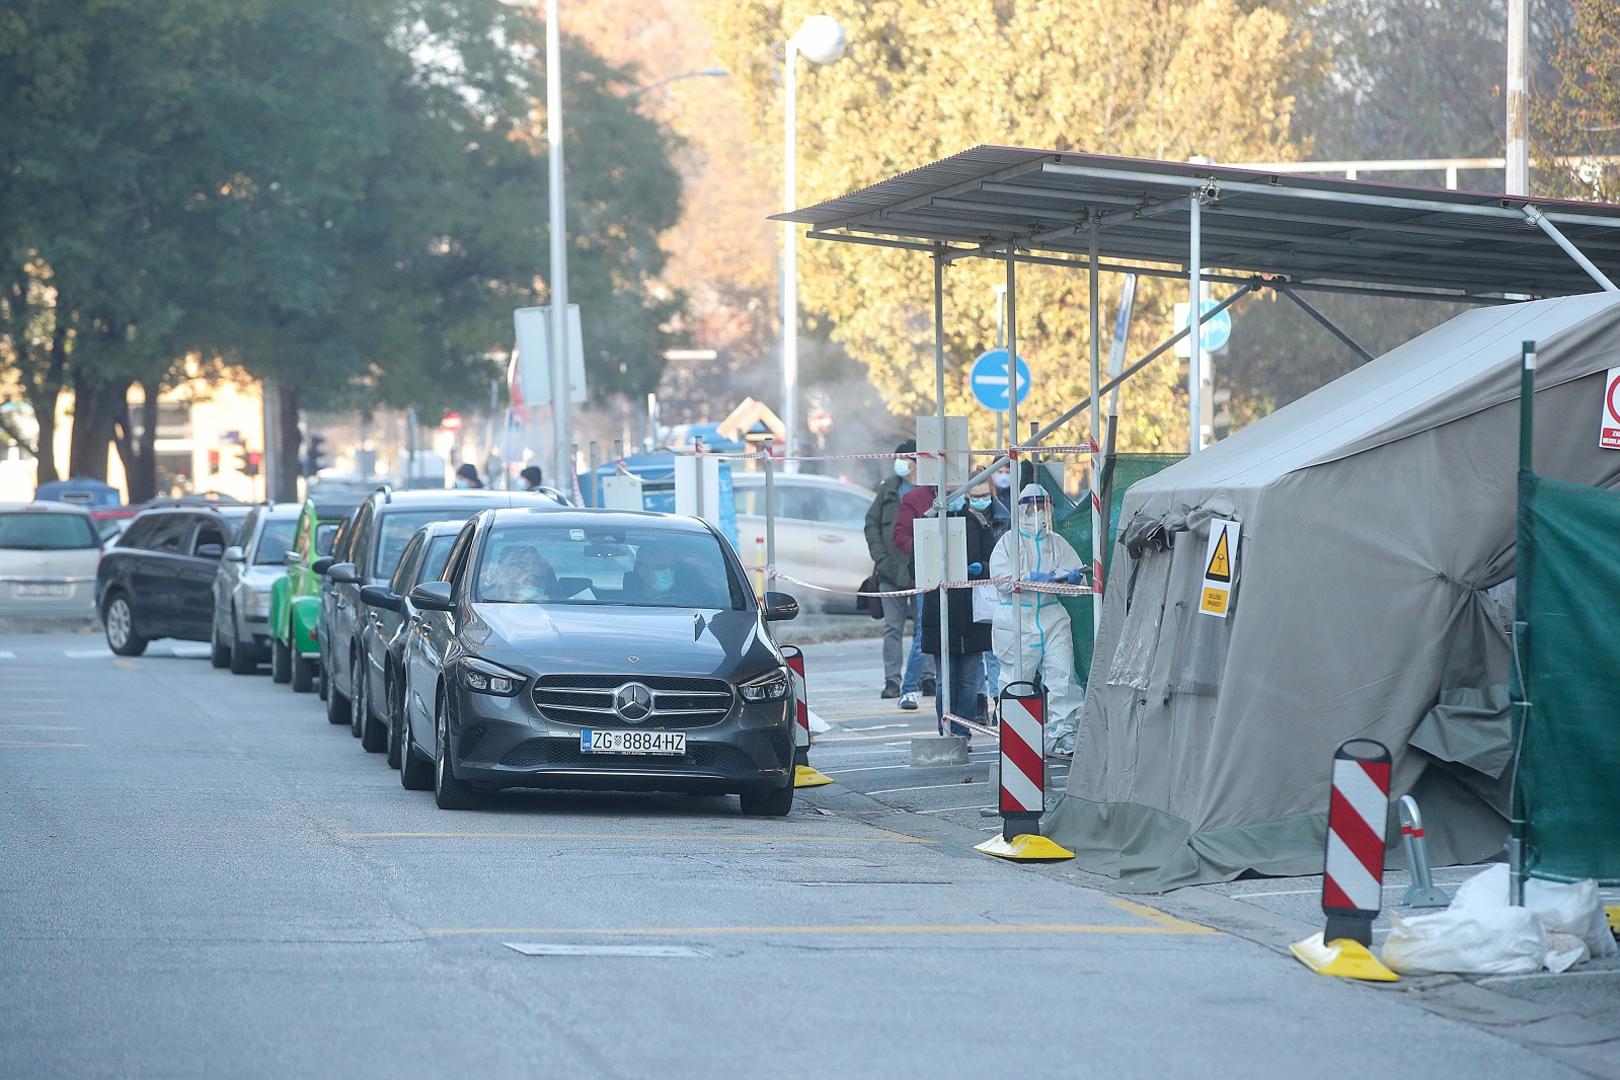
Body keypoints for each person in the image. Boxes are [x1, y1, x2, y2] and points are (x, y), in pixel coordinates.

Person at [989, 482, 1086, 757]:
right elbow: (1002, 580)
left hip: (1051, 616)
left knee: (1062, 676)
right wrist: (1032, 578)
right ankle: (1012, 736)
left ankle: (1062, 733)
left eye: (1042, 507)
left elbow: (1077, 576)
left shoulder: (1057, 543)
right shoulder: (1008, 543)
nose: (1038, 512)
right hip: (1018, 618)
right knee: (1016, 680)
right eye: (1031, 507)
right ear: (1020, 510)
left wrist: (1073, 576)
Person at [919, 489, 995, 740]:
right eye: (947, 492)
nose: (953, 496)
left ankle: (962, 732)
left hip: (971, 615)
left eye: (956, 491)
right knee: (945, 682)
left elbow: (994, 563)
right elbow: (915, 567)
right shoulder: (927, 524)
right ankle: (948, 730)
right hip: (940, 614)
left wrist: (980, 569)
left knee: (968, 681)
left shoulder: (977, 523)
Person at [863, 440, 935, 706]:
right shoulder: (888, 489)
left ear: (918, 462)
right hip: (890, 573)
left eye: (906, 458)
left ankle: (927, 677)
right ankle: (892, 681)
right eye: (898, 459)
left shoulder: (930, 490)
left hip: (923, 572)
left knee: (925, 628)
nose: (900, 463)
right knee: (892, 628)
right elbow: (871, 524)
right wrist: (882, 560)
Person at [481, 545, 557, 603]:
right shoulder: (483, 599)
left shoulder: (556, 604)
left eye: (539, 578)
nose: (533, 582)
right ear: (499, 571)